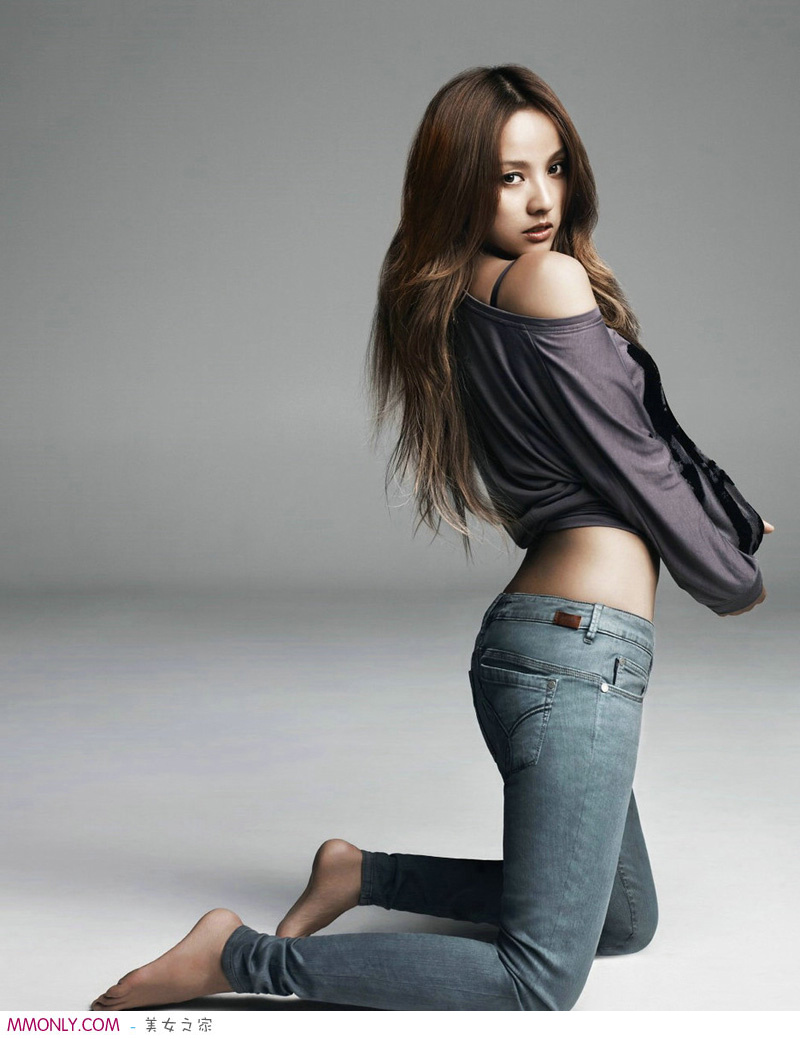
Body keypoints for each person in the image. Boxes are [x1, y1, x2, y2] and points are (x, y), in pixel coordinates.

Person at [91, 64, 771, 1013]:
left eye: (555, 167)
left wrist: (724, 514)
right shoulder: (545, 279)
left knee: (622, 919)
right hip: (575, 656)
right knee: (539, 981)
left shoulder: (465, 296)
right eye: (509, 176)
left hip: (552, 647)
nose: (542, 199)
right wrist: (732, 575)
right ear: (461, 187)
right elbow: (638, 461)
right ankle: (236, 958)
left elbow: (618, 449)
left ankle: (362, 874)